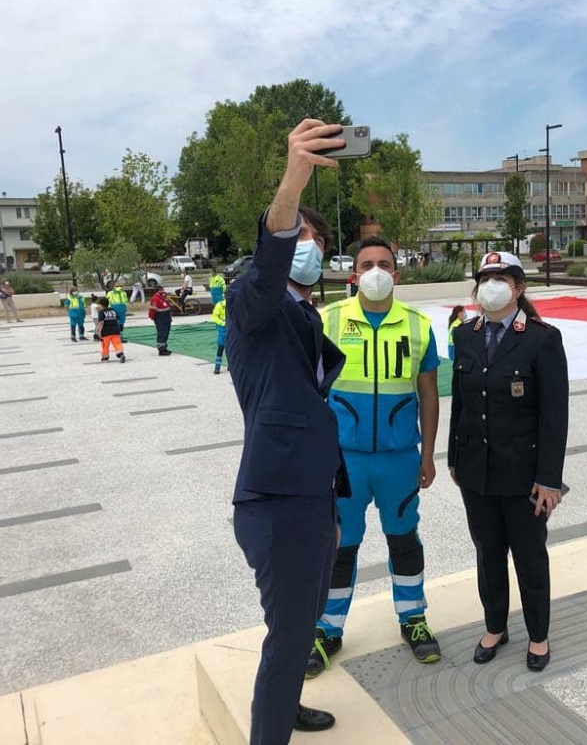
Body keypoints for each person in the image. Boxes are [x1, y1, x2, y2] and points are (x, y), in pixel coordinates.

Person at [224, 118, 350, 743]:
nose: (309, 244)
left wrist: (330, 498)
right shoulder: (254, 305)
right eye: (300, 233)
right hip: (277, 503)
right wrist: (293, 181)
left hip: (308, 499)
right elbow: (267, 266)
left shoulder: (306, 318)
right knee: (289, 633)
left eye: (316, 239)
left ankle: (286, 705)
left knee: (300, 626)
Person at [307, 236, 442, 679]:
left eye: (384, 263)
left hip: (400, 457)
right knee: (340, 546)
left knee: (404, 540)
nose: (376, 271)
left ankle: (413, 619)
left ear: (397, 274)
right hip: (342, 460)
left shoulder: (418, 325)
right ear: (353, 274)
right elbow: (308, 391)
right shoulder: (327, 320)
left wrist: (429, 453)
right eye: (367, 264)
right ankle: (327, 629)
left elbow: (428, 393)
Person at [449, 251, 569, 673]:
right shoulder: (465, 335)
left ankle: (538, 634)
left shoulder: (541, 338)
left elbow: (554, 416)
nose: (492, 285)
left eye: (501, 278)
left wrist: (549, 480)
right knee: (488, 552)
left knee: (529, 555)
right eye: (485, 277)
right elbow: (460, 403)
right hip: (476, 470)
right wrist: (454, 458)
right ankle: (495, 626)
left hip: (523, 476)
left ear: (518, 287)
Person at [96, 296, 125, 363]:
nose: (97, 306)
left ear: (101, 305)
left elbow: (101, 322)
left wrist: (99, 331)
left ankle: (105, 357)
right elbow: (117, 318)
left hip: (106, 331)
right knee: (117, 344)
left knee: (105, 345)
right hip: (115, 330)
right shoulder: (113, 310)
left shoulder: (101, 312)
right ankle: (120, 354)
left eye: (98, 304)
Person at [149, 285, 173, 356]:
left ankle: (164, 347)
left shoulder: (163, 298)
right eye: (162, 290)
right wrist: (153, 317)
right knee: (162, 333)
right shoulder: (155, 299)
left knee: (166, 333)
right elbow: (153, 310)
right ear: (158, 291)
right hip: (160, 319)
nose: (163, 291)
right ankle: (161, 349)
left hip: (166, 318)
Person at [211, 297, 227, 374]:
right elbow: (214, 317)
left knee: (228, 348)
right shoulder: (220, 305)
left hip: (230, 329)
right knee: (221, 347)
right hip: (223, 329)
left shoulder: (219, 304)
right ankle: (217, 366)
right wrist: (223, 323)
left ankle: (229, 365)